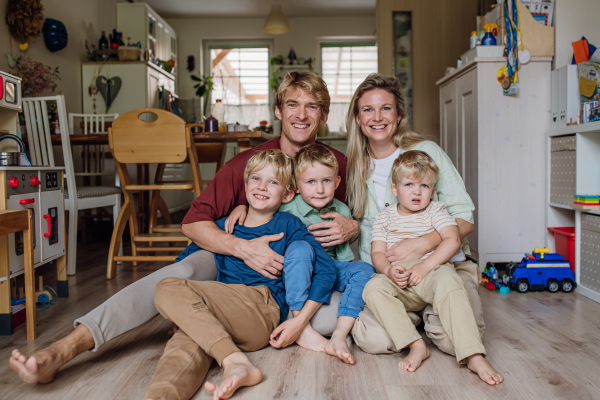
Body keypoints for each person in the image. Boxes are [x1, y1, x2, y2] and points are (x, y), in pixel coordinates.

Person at [9, 70, 359, 384]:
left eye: (312, 107)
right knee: (182, 271)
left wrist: (352, 226)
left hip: (289, 278)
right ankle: (66, 347)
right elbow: (193, 224)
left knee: (321, 315)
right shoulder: (246, 165)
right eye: (292, 104)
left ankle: (191, 357)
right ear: (279, 111)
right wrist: (241, 247)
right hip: (234, 257)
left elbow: (364, 220)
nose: (301, 114)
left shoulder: (336, 165)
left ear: (324, 115)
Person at [145, 149, 336, 400]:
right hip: (222, 309)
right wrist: (183, 311)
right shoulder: (226, 226)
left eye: (273, 182)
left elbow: (327, 270)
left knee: (166, 287)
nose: (262, 187)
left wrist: (300, 322)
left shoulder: (287, 225)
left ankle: (235, 361)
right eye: (256, 178)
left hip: (261, 307)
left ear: (288, 194)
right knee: (185, 342)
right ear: (245, 184)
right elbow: (185, 262)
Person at [345, 73, 486, 358]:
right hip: (394, 276)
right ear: (358, 119)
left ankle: (432, 313)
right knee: (375, 340)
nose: (377, 117)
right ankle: (414, 322)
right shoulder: (353, 167)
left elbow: (465, 219)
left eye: (385, 108)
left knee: (452, 341)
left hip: (443, 267)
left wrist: (423, 243)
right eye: (368, 110)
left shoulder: (425, 152)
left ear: (398, 115)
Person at [226, 144, 375, 365]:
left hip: (330, 267)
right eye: (311, 182)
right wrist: (242, 207)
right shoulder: (286, 205)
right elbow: (262, 207)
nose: (320, 190)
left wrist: (349, 277)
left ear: (336, 183)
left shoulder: (341, 210)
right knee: (300, 248)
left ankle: (340, 333)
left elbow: (343, 258)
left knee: (365, 269)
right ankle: (299, 322)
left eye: (326, 181)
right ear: (295, 187)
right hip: (296, 268)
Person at [365, 150, 502, 385]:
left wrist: (425, 266)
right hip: (399, 279)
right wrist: (388, 271)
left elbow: (452, 240)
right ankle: (415, 344)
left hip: (432, 274)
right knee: (373, 288)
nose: (417, 191)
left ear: (432, 189)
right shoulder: (384, 217)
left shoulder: (436, 211)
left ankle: (473, 355)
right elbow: (377, 253)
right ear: (395, 189)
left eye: (425, 186)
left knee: (449, 280)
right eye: (409, 184)